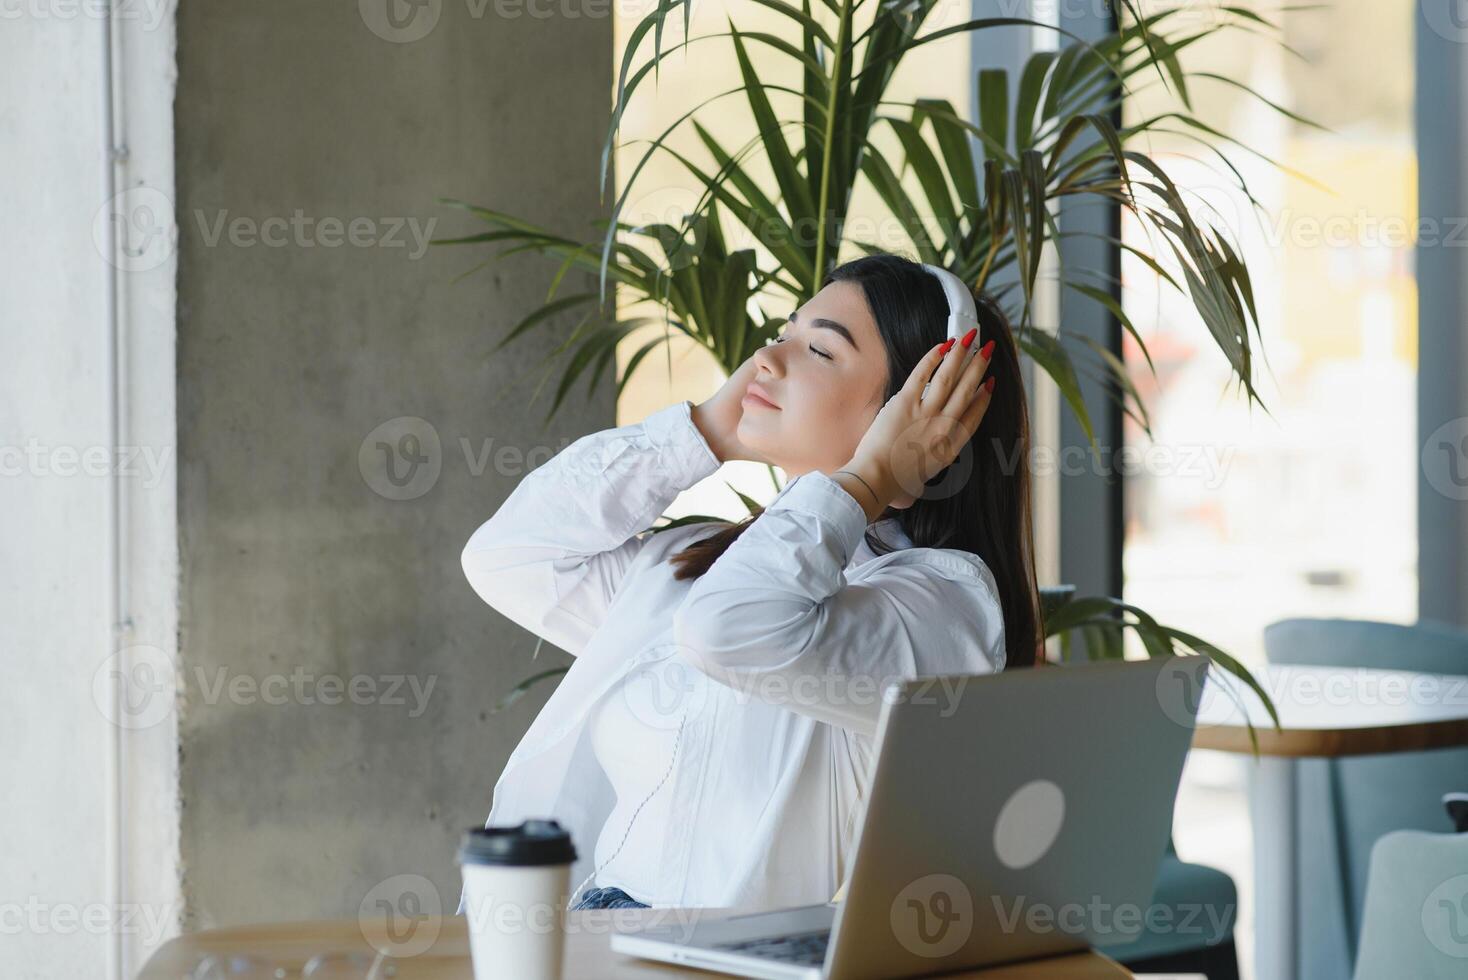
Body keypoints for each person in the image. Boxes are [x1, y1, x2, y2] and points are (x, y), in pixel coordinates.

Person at [458, 251, 1042, 915]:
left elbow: (726, 632)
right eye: (783, 333)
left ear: (925, 413)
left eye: (819, 350)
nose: (765, 359)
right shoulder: (691, 563)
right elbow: (508, 554)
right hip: (592, 943)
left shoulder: (940, 605)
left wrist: (872, 478)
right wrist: (705, 430)